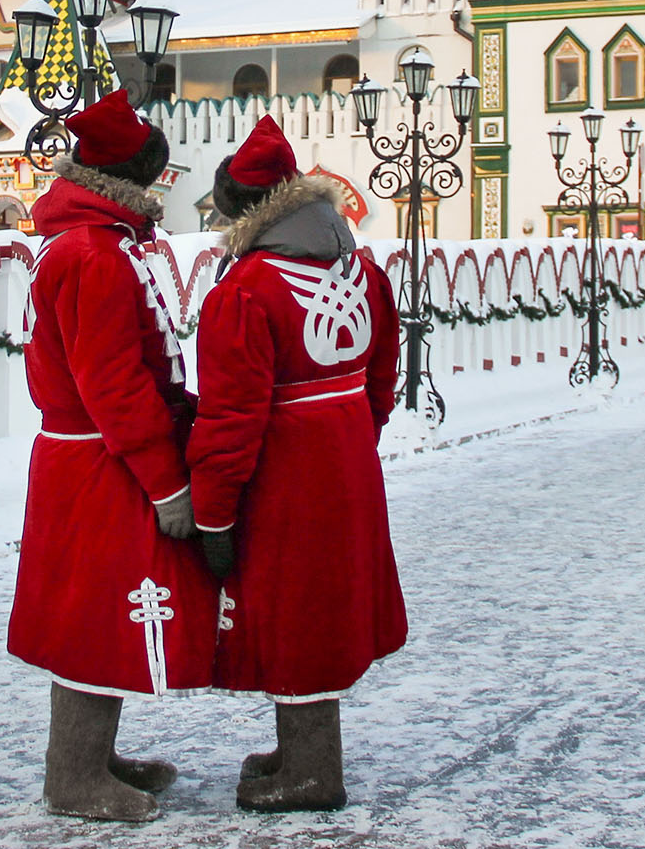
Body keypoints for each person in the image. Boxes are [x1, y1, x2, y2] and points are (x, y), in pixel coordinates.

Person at [187, 116, 405, 813]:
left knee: (297, 612)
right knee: (325, 606)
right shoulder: (362, 268)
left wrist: (214, 512)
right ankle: (301, 750)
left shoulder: (244, 291)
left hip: (285, 472)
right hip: (344, 460)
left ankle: (314, 773)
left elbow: (230, 418)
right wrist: (353, 436)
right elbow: (383, 369)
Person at [8, 91, 215, 824]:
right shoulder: (95, 255)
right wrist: (165, 484)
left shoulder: (97, 242)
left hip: (93, 457)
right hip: (99, 461)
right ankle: (74, 777)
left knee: (103, 611)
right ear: (132, 180)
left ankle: (93, 758)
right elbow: (113, 384)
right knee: (93, 613)